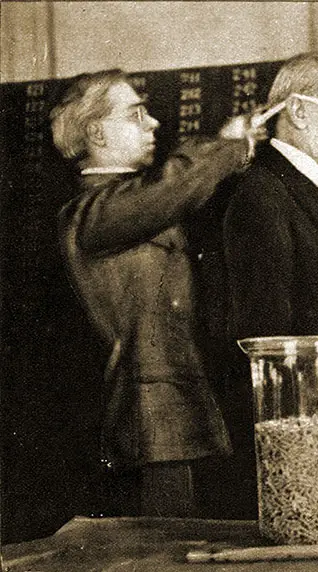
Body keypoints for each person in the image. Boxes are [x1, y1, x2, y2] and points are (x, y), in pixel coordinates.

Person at [50, 68, 265, 519]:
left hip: (172, 422)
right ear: (95, 132)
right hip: (146, 426)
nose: (154, 125)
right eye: (136, 115)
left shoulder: (132, 206)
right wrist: (230, 147)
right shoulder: (94, 212)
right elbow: (172, 188)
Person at [200, 52, 318, 518]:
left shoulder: (307, 190)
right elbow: (264, 345)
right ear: (300, 112)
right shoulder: (262, 194)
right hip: (305, 458)